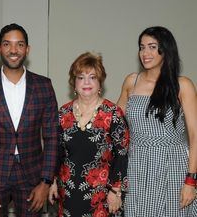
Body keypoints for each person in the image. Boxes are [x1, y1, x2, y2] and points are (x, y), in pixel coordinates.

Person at [0, 23, 59, 217]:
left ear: (27, 49)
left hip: (32, 176)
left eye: (19, 44)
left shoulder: (44, 86)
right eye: (7, 44)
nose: (13, 50)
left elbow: (52, 138)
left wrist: (45, 182)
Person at [117, 26, 197, 216]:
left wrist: (191, 181)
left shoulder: (182, 85)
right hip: (136, 167)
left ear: (166, 50)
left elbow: (195, 136)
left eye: (152, 47)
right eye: (142, 47)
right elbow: (115, 126)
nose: (145, 53)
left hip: (172, 167)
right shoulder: (131, 81)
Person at [49, 52, 129, 217]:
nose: (86, 82)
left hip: (103, 197)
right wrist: (53, 182)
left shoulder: (113, 114)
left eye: (92, 77)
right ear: (74, 83)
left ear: (100, 83)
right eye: (81, 77)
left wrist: (116, 191)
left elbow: (122, 155)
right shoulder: (62, 114)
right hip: (68, 195)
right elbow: (56, 153)